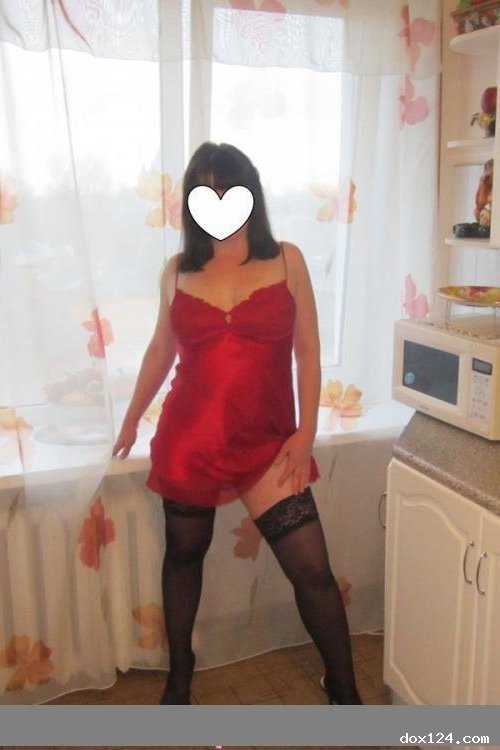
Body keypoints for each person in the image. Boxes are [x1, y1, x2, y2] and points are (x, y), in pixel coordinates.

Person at [112, 142, 363, 706]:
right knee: (183, 557)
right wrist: (129, 420)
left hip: (269, 444)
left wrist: (305, 433)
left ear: (250, 193)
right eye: (205, 193)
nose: (218, 202)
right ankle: (181, 672)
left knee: (313, 570)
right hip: (190, 441)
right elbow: (160, 351)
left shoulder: (287, 259)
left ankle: (344, 686)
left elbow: (308, 351)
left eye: (228, 189)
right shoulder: (177, 271)